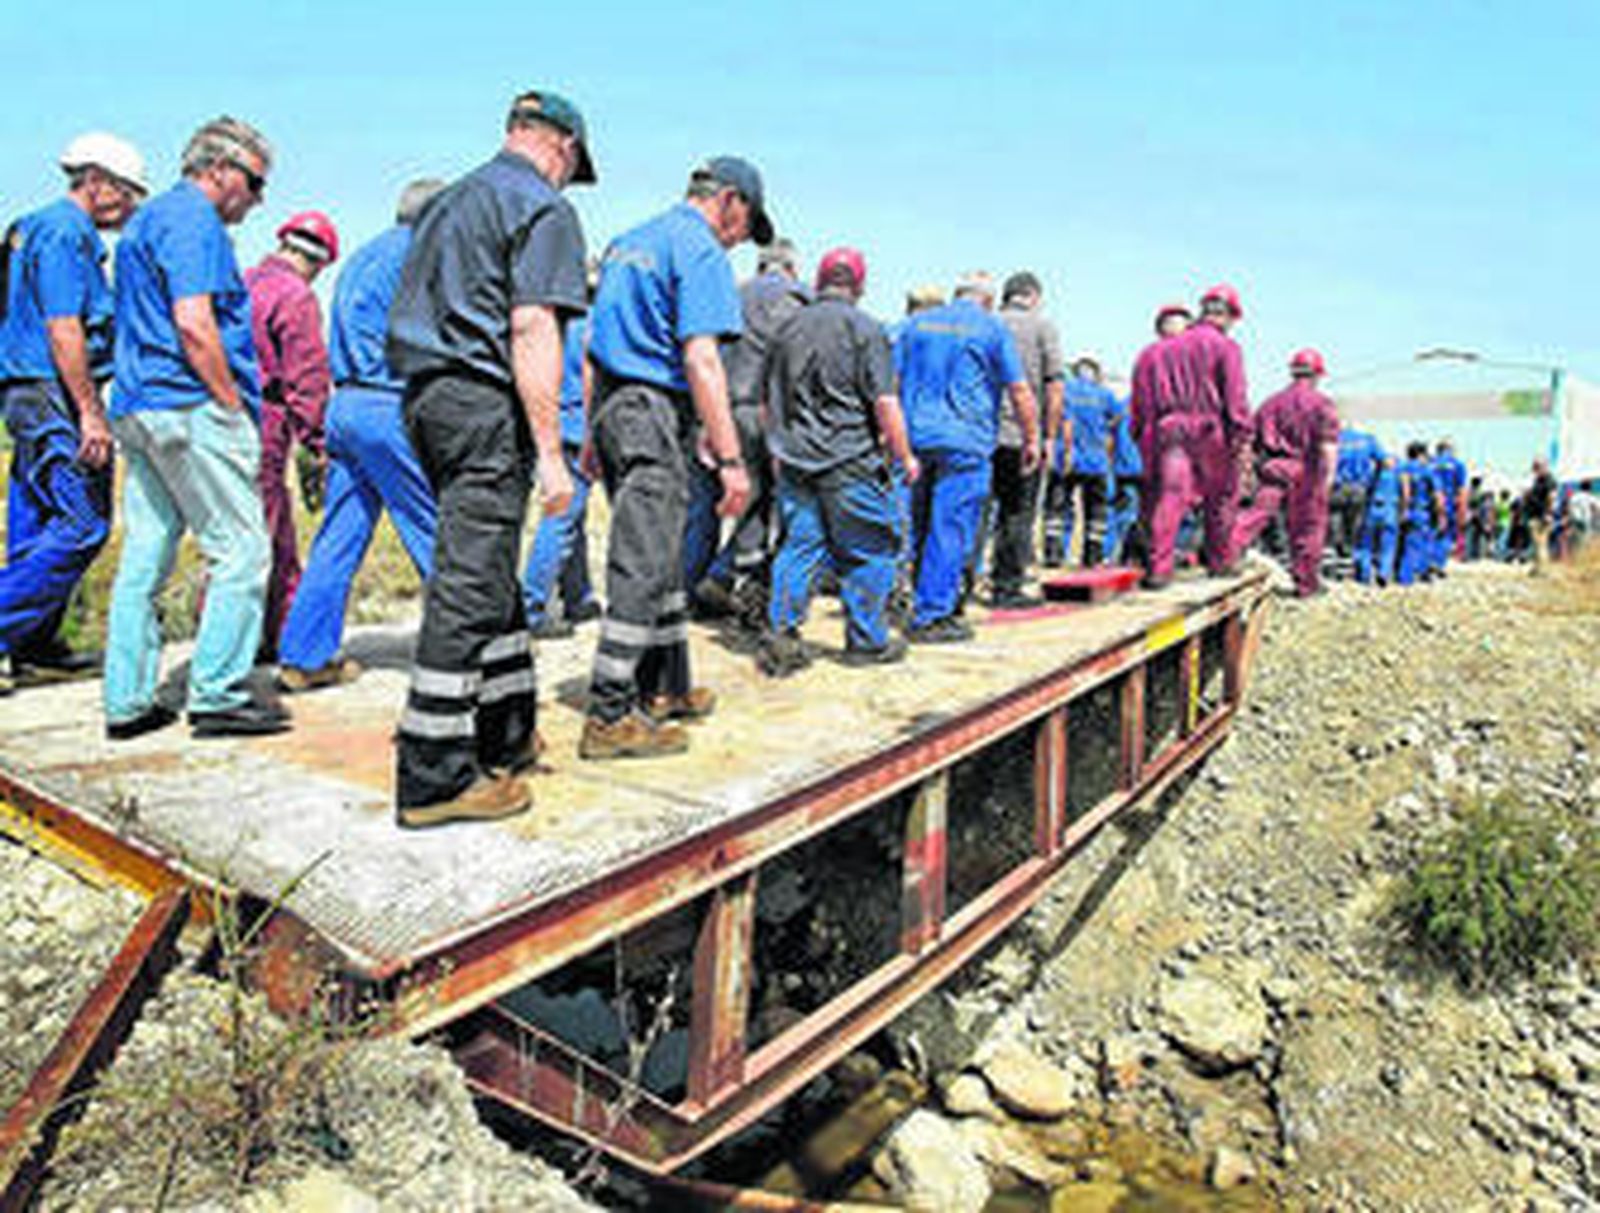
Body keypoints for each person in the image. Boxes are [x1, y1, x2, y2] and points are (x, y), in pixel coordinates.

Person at [386, 90, 593, 827]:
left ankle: (505, 731)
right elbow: (533, 325)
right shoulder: (544, 208)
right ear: (563, 148)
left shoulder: (451, 200)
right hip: (481, 405)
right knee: (471, 583)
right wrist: (551, 454)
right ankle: (433, 776)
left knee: (490, 570)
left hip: (426, 399)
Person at [580, 156, 770, 758]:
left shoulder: (627, 242)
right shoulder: (700, 250)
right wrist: (733, 461)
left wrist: (590, 435)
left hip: (614, 408)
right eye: (746, 224)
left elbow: (592, 346)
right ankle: (610, 714)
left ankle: (665, 688)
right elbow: (702, 360)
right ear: (730, 201)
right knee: (642, 562)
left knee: (661, 557)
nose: (740, 239)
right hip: (652, 412)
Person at [103, 116, 285, 739]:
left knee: (146, 556)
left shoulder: (144, 222)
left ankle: (125, 702)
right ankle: (217, 693)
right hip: (189, 405)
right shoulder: (194, 222)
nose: (258, 199)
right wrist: (230, 403)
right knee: (241, 551)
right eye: (255, 183)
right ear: (219, 170)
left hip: (137, 405)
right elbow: (194, 322)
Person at [276, 179, 446, 691]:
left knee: (339, 537)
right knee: (435, 529)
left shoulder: (362, 257)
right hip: (388, 405)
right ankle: (472, 650)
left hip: (344, 406)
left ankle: (304, 656)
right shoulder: (422, 258)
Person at [0, 133, 146, 694]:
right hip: (53, 391)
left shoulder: (28, 226)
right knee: (84, 524)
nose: (130, 208)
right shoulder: (65, 233)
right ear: (98, 183)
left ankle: (34, 646)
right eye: (128, 195)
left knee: (36, 518)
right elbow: (64, 328)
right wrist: (90, 412)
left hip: (24, 391)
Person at [757, 247, 916, 674]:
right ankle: (866, 641)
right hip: (850, 460)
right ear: (859, 286)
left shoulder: (786, 329)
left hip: (795, 459)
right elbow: (885, 402)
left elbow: (765, 404)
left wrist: (777, 449)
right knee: (870, 548)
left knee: (800, 546)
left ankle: (782, 638)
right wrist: (904, 455)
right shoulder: (866, 329)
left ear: (818, 280)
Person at [896, 270, 1039, 641]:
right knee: (950, 528)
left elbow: (889, 383)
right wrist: (1032, 440)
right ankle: (932, 614)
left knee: (918, 524)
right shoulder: (991, 329)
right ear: (988, 300)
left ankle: (909, 598)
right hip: (965, 443)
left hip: (915, 438)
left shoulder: (916, 324)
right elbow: (1020, 390)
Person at [687, 238, 809, 622]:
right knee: (763, 499)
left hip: (714, 410)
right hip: (762, 411)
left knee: (705, 503)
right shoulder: (799, 299)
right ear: (791, 268)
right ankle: (728, 576)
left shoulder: (732, 293)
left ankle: (692, 589)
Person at [244, 211, 338, 659]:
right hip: (265, 423)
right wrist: (318, 442)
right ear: (320, 263)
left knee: (231, 537)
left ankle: (240, 639)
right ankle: (282, 639)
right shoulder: (295, 296)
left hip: (221, 418)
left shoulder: (240, 282)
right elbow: (307, 378)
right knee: (272, 537)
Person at [1142, 285, 1251, 588]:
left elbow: (1144, 404)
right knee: (1221, 498)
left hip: (1172, 429)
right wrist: (1241, 437)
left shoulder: (1164, 349)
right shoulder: (1227, 347)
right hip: (1210, 429)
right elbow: (1235, 398)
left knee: (1171, 496)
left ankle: (1159, 569)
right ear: (1228, 316)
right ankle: (1221, 561)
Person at [520, 259, 602, 640]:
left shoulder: (553, 325)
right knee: (561, 520)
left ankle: (578, 597)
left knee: (573, 518)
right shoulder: (594, 326)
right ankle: (532, 606)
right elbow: (591, 382)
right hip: (578, 430)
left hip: (554, 428)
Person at [1229, 349, 1340, 596]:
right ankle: (1306, 585)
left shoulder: (1271, 403)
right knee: (1308, 530)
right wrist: (1328, 480)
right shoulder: (1322, 405)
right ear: (1318, 374)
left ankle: (1226, 555)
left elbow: (1250, 443)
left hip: (1275, 469)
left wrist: (1251, 473)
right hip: (1307, 473)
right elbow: (1327, 447)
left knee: (1255, 516)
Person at [988, 271, 1063, 604]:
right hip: (1021, 433)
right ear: (1033, 295)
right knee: (1017, 512)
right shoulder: (1043, 327)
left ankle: (958, 587)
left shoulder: (988, 322)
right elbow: (1054, 386)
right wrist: (1048, 436)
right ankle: (1006, 586)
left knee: (977, 513)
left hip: (983, 433)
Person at [1044, 355, 1116, 569]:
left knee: (1057, 508)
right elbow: (1114, 423)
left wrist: (1066, 451)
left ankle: (1054, 554)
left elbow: (1065, 421)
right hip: (1096, 460)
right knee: (1096, 509)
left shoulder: (1065, 390)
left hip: (1066, 459)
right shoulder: (1105, 394)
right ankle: (1093, 555)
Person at [1104, 390, 1144, 565]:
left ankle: (1111, 555)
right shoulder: (1154, 405)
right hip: (1143, 467)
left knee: (1119, 512)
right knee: (1135, 514)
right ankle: (1132, 555)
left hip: (1122, 467)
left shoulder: (1121, 405)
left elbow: (1109, 439)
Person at [1330, 426, 1381, 561]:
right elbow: (1384, 461)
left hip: (1337, 487)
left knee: (1336, 518)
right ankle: (1350, 552)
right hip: (1359, 487)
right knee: (1355, 523)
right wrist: (1373, 480)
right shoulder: (1368, 440)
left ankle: (1339, 548)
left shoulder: (1332, 439)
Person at [1354, 451, 1402, 586]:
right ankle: (1383, 573)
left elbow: (1364, 492)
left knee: (1366, 545)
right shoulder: (1397, 474)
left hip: (1372, 510)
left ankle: (1365, 575)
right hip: (1390, 510)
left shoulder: (1371, 475)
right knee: (1388, 546)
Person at [1396, 440, 1440, 585]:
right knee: (1421, 544)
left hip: (1404, 510)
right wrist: (1441, 513)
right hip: (1422, 511)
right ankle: (1412, 577)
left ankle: (1404, 575)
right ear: (1421, 454)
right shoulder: (1428, 470)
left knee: (1406, 544)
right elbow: (1438, 495)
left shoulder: (1402, 467)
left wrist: (1402, 510)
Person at [1430, 438, 1468, 572]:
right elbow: (1462, 490)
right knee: (1446, 535)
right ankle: (1438, 563)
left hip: (1429, 504)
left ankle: (1428, 562)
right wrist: (1463, 511)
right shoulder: (1458, 465)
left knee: (1431, 533)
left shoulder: (1431, 463)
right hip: (1449, 504)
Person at [1525, 457, 1557, 575]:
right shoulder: (1538, 480)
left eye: (1536, 466)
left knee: (1540, 544)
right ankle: (1537, 567)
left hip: (1542, 515)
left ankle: (1542, 570)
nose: (1534, 469)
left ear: (1543, 466)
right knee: (1537, 544)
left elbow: (1551, 497)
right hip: (1536, 514)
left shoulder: (1549, 480)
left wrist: (1548, 513)